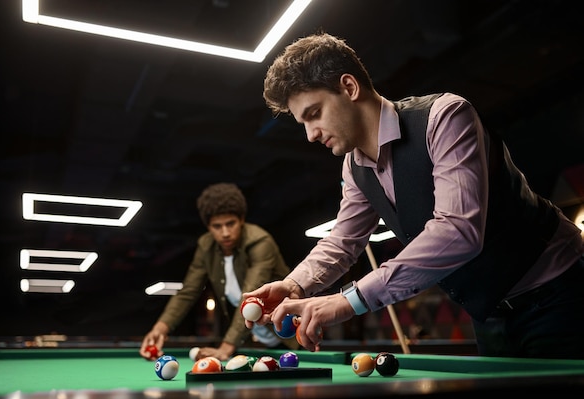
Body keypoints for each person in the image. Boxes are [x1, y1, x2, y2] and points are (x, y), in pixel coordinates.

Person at [243, 32, 584, 359]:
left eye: (314, 114)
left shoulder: (444, 116)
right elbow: (342, 241)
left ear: (348, 87)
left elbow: (458, 231)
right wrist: (294, 285)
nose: (310, 135)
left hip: (560, 291)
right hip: (489, 312)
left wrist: (347, 300)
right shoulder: (354, 166)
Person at [140, 182, 298, 361]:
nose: (225, 233)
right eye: (217, 226)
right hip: (253, 339)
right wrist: (160, 328)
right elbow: (188, 291)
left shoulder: (260, 242)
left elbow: (251, 297)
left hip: (290, 335)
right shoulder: (206, 246)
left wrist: (226, 347)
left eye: (230, 224)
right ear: (208, 227)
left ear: (242, 220)